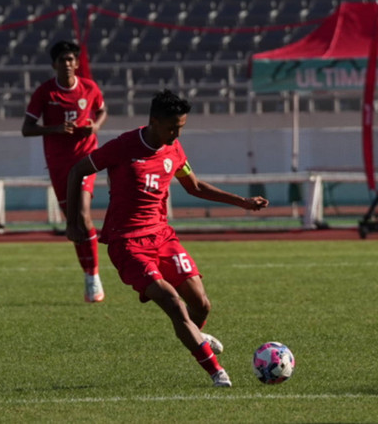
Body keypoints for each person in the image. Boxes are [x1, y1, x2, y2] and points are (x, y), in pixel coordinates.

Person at [65, 90, 270, 387]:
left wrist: (243, 202)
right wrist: (73, 222)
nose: (176, 134)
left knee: (201, 305)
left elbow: (194, 186)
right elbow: (77, 171)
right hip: (127, 243)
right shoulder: (123, 146)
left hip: (163, 237)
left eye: (181, 127)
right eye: (172, 127)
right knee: (173, 303)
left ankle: (194, 336)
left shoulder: (174, 150)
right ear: (154, 121)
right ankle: (216, 372)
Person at [22, 40, 108, 303]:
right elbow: (27, 128)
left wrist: (94, 127)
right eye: (63, 60)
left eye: (72, 60)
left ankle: (94, 278)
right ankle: (88, 274)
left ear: (77, 62)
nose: (68, 64)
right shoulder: (45, 93)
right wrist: (54, 129)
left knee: (83, 214)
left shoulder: (89, 88)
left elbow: (102, 110)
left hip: (86, 159)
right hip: (60, 164)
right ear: (54, 64)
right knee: (73, 223)